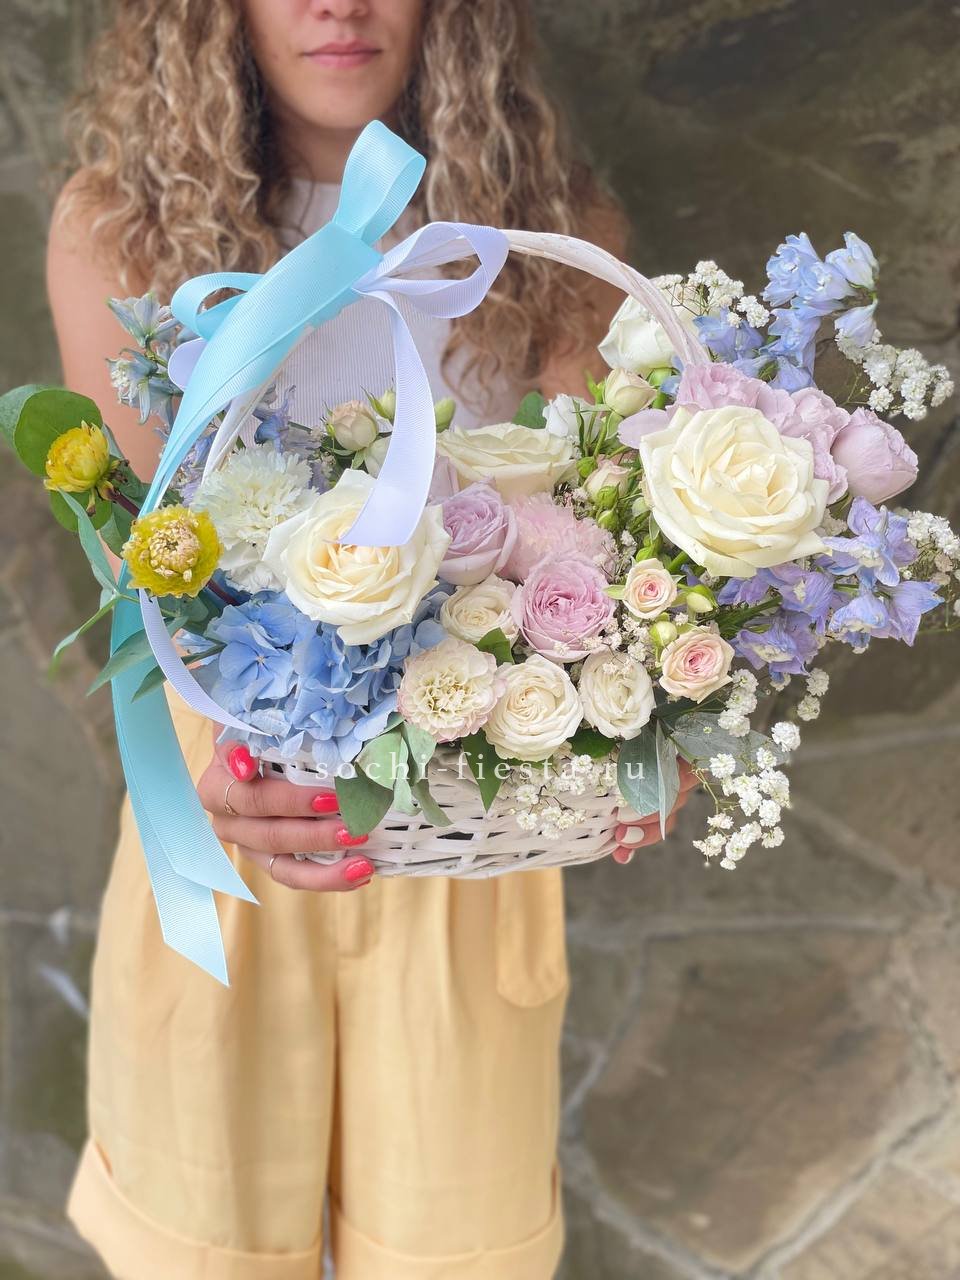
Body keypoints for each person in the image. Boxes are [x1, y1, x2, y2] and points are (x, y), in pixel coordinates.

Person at [47, 2, 694, 1276]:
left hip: (466, 808)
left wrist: (645, 714)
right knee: (208, 1236)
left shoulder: (554, 225)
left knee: (449, 1240)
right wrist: (216, 771)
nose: (338, 5)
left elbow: (598, 540)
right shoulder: (123, 226)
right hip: (237, 803)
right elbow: (143, 570)